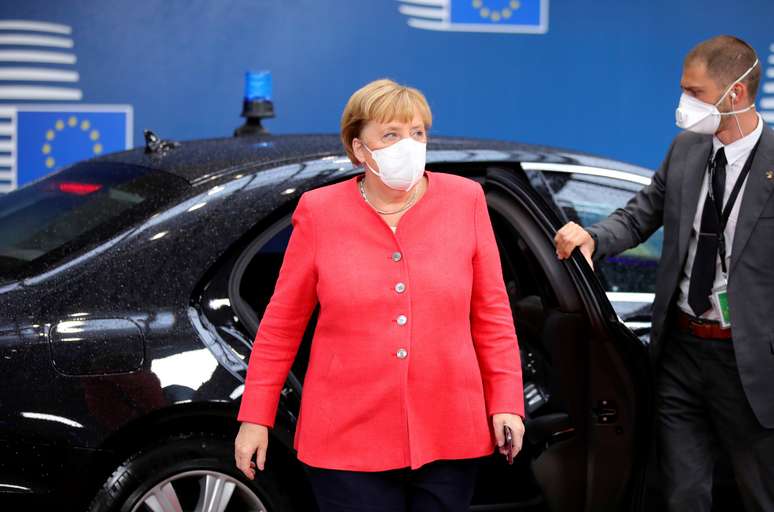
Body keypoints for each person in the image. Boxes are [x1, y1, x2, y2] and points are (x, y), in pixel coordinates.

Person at [234, 78, 525, 512]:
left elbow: (492, 314)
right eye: (391, 134)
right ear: (358, 149)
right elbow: (281, 327)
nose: (408, 145)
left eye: (417, 133)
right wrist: (256, 417)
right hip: (345, 438)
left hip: (449, 433)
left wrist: (507, 402)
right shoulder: (320, 211)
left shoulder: (466, 201)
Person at [555, 35, 774, 511]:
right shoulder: (686, 149)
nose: (683, 103)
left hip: (752, 362)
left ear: (734, 93)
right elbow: (639, 214)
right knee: (681, 493)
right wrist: (594, 238)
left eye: (694, 93)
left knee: (760, 494)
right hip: (681, 350)